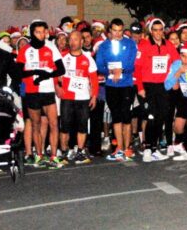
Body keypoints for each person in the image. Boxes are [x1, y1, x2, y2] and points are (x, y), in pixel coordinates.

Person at [17, 20, 65, 166]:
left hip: (48, 90)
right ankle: (38, 154)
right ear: (32, 33)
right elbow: (18, 72)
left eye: (43, 32)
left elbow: (61, 70)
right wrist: (36, 72)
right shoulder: (25, 50)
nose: (41, 35)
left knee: (54, 123)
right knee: (36, 124)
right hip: (32, 91)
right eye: (37, 32)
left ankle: (54, 155)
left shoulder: (51, 48)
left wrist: (46, 75)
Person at [135, 18, 180, 163]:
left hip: (164, 86)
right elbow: (137, 68)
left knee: (161, 117)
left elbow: (177, 64)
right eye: (155, 30)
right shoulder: (144, 45)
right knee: (151, 117)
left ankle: (154, 148)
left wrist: (175, 80)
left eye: (161, 30)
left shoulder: (169, 46)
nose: (158, 33)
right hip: (148, 86)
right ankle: (148, 148)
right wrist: (140, 88)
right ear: (151, 31)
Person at [96, 19, 138, 162]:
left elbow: (132, 64)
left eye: (120, 30)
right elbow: (99, 66)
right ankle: (119, 147)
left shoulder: (130, 43)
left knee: (127, 116)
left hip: (126, 84)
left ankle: (127, 148)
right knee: (116, 116)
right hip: (111, 85)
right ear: (110, 31)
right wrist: (110, 71)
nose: (117, 33)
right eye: (115, 30)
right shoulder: (103, 46)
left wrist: (122, 70)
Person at [54, 30, 98, 165]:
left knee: (82, 126)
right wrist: (57, 87)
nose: (72, 42)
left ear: (81, 41)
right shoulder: (62, 57)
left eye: (75, 39)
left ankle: (79, 151)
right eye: (71, 39)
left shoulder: (88, 58)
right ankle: (64, 151)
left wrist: (94, 96)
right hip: (67, 97)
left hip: (83, 97)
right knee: (65, 126)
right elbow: (55, 75)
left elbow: (94, 79)